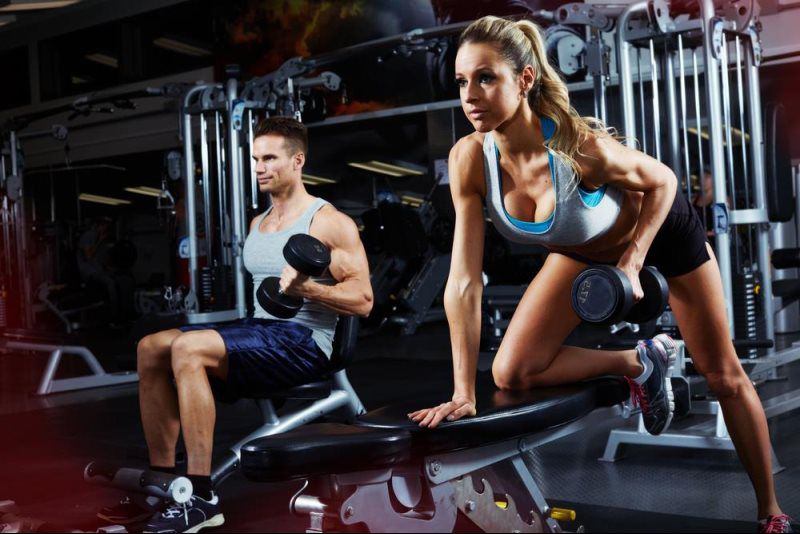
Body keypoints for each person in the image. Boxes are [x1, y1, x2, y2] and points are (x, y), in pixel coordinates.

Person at [408, 16, 792, 532]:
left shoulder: (577, 147)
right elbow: (463, 280)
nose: (470, 95)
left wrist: (633, 262)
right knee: (511, 372)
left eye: (485, 78)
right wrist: (462, 392)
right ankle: (641, 362)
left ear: (523, 79)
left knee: (722, 373)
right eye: (461, 82)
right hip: (581, 250)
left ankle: (770, 509)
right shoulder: (470, 159)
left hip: (663, 233)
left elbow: (663, 181)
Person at [105, 117, 373, 533]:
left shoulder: (326, 222)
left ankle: (201, 496)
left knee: (188, 348)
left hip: (305, 342)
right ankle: (164, 486)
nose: (259, 167)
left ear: (298, 160)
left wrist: (307, 291)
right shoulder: (258, 222)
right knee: (151, 345)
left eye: (270, 158)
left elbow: (363, 300)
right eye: (255, 159)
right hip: (261, 331)